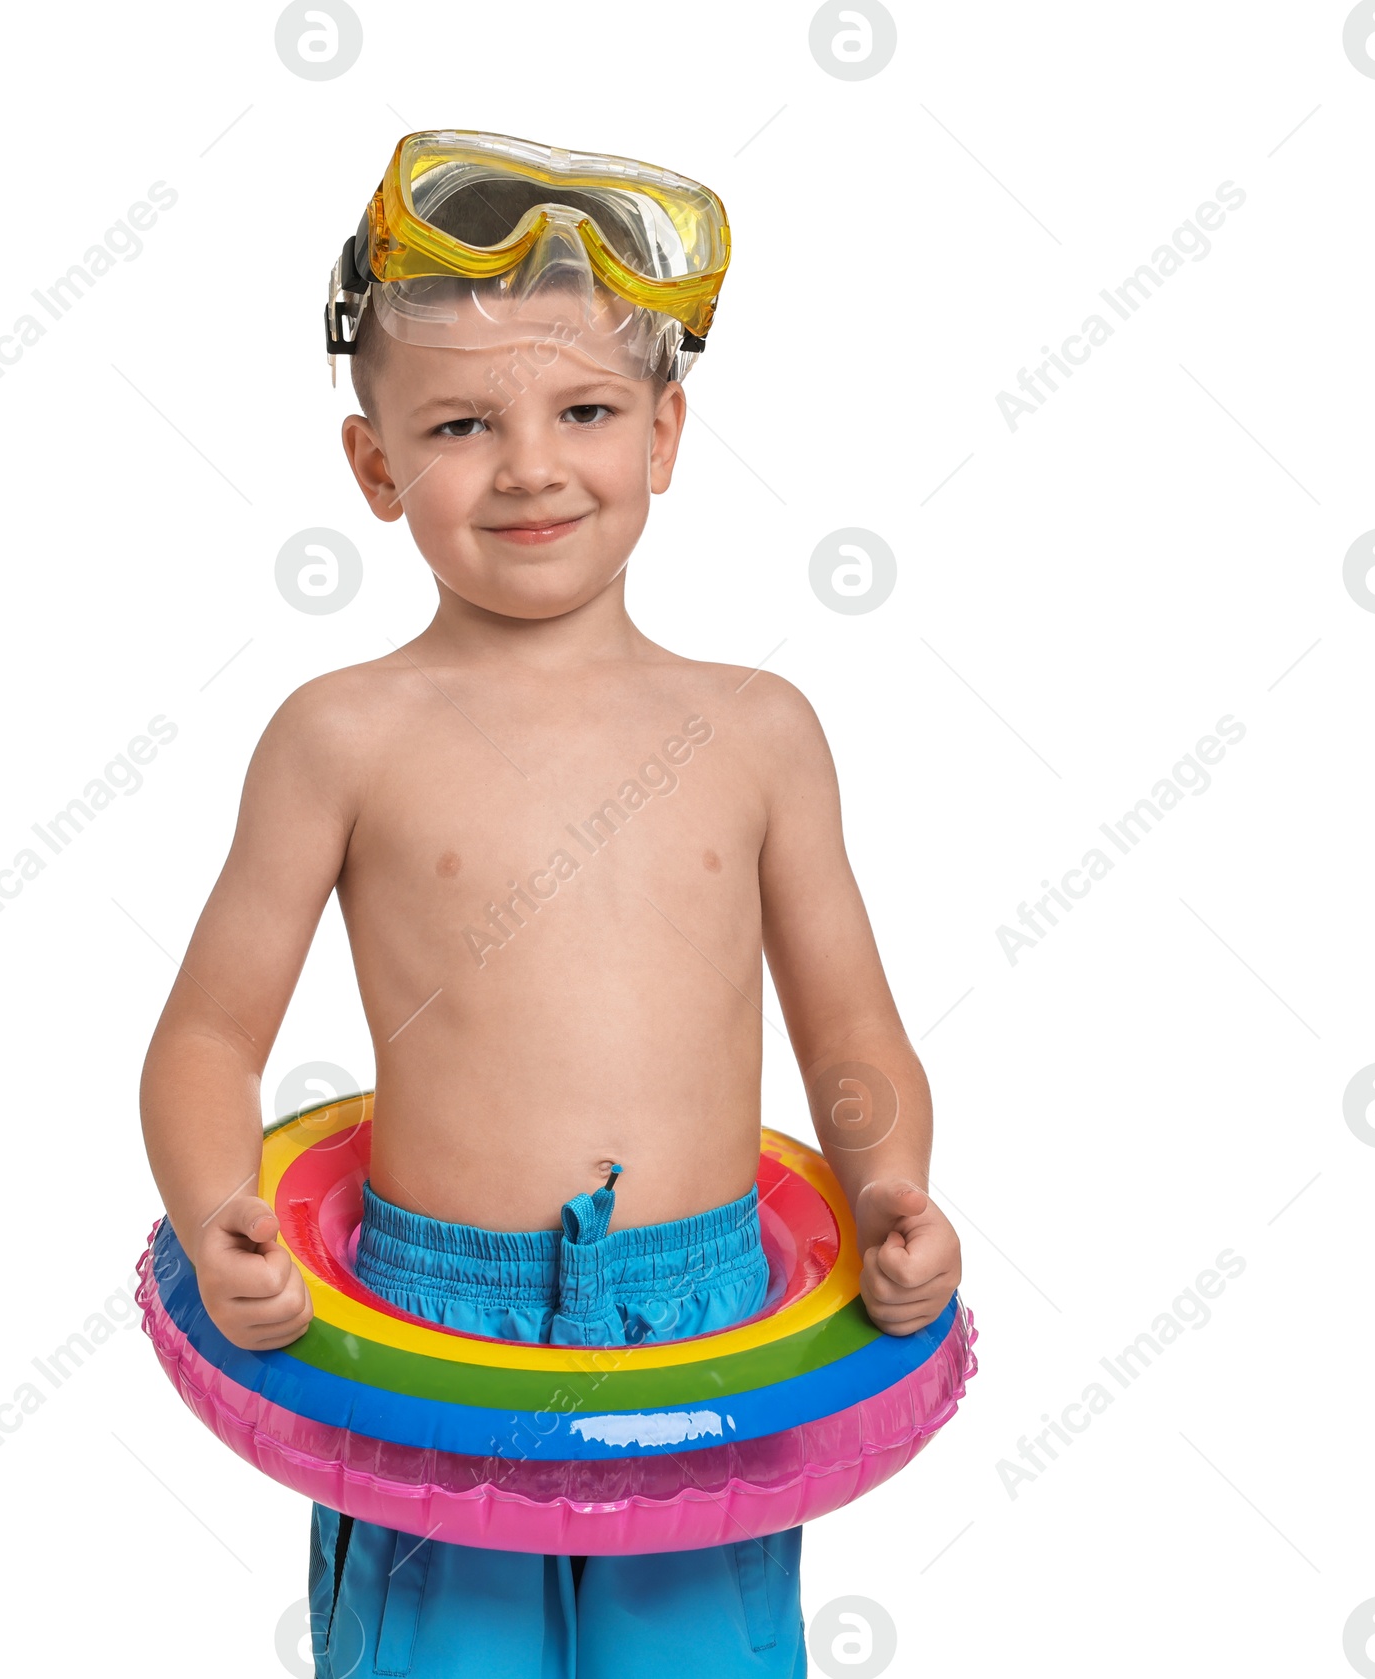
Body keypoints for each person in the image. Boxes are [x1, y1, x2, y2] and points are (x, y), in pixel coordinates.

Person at [139, 129, 963, 1679]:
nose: (529, 464)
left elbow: (850, 1028)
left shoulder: (759, 730)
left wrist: (892, 1188)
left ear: (663, 433)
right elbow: (202, 1042)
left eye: (582, 409)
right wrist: (218, 1214)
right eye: (460, 422)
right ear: (376, 468)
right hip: (432, 1318)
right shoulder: (341, 736)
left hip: (708, 1313)